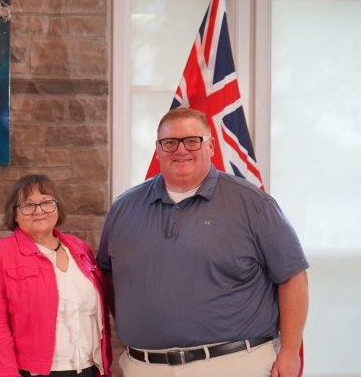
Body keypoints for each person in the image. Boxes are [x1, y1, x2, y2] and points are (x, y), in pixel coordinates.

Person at [97, 107, 309, 377]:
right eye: (169, 142)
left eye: (192, 141)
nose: (180, 150)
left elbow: (293, 277)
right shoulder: (124, 207)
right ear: (158, 149)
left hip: (234, 364)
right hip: (144, 366)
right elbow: (108, 275)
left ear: (211, 146)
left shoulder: (254, 205)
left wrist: (289, 352)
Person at [0, 174, 113, 377]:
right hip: (32, 372)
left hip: (88, 367)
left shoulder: (80, 248)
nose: (39, 211)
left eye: (46, 202)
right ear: (14, 214)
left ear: (57, 207)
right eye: (28, 205)